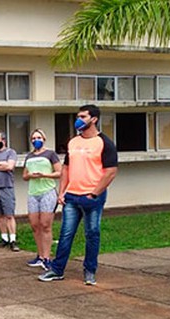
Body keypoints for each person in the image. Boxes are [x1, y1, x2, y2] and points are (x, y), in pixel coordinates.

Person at [39, 104, 118, 285]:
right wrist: (62, 192)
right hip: (72, 197)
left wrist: (94, 194)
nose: (79, 119)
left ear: (94, 119)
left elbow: (110, 171)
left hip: (92, 198)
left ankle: (90, 271)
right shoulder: (73, 142)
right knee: (66, 234)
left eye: (83, 116)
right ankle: (57, 270)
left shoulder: (104, 142)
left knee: (92, 234)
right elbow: (66, 168)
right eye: (78, 116)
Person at [23, 129, 61, 269]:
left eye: (38, 137)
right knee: (35, 225)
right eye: (33, 138)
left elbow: (59, 172)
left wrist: (44, 175)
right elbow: (24, 175)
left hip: (47, 192)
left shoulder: (50, 154)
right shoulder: (29, 156)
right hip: (33, 192)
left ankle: (46, 257)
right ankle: (39, 256)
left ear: (44, 139)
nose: (36, 140)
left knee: (45, 225)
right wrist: (31, 176)